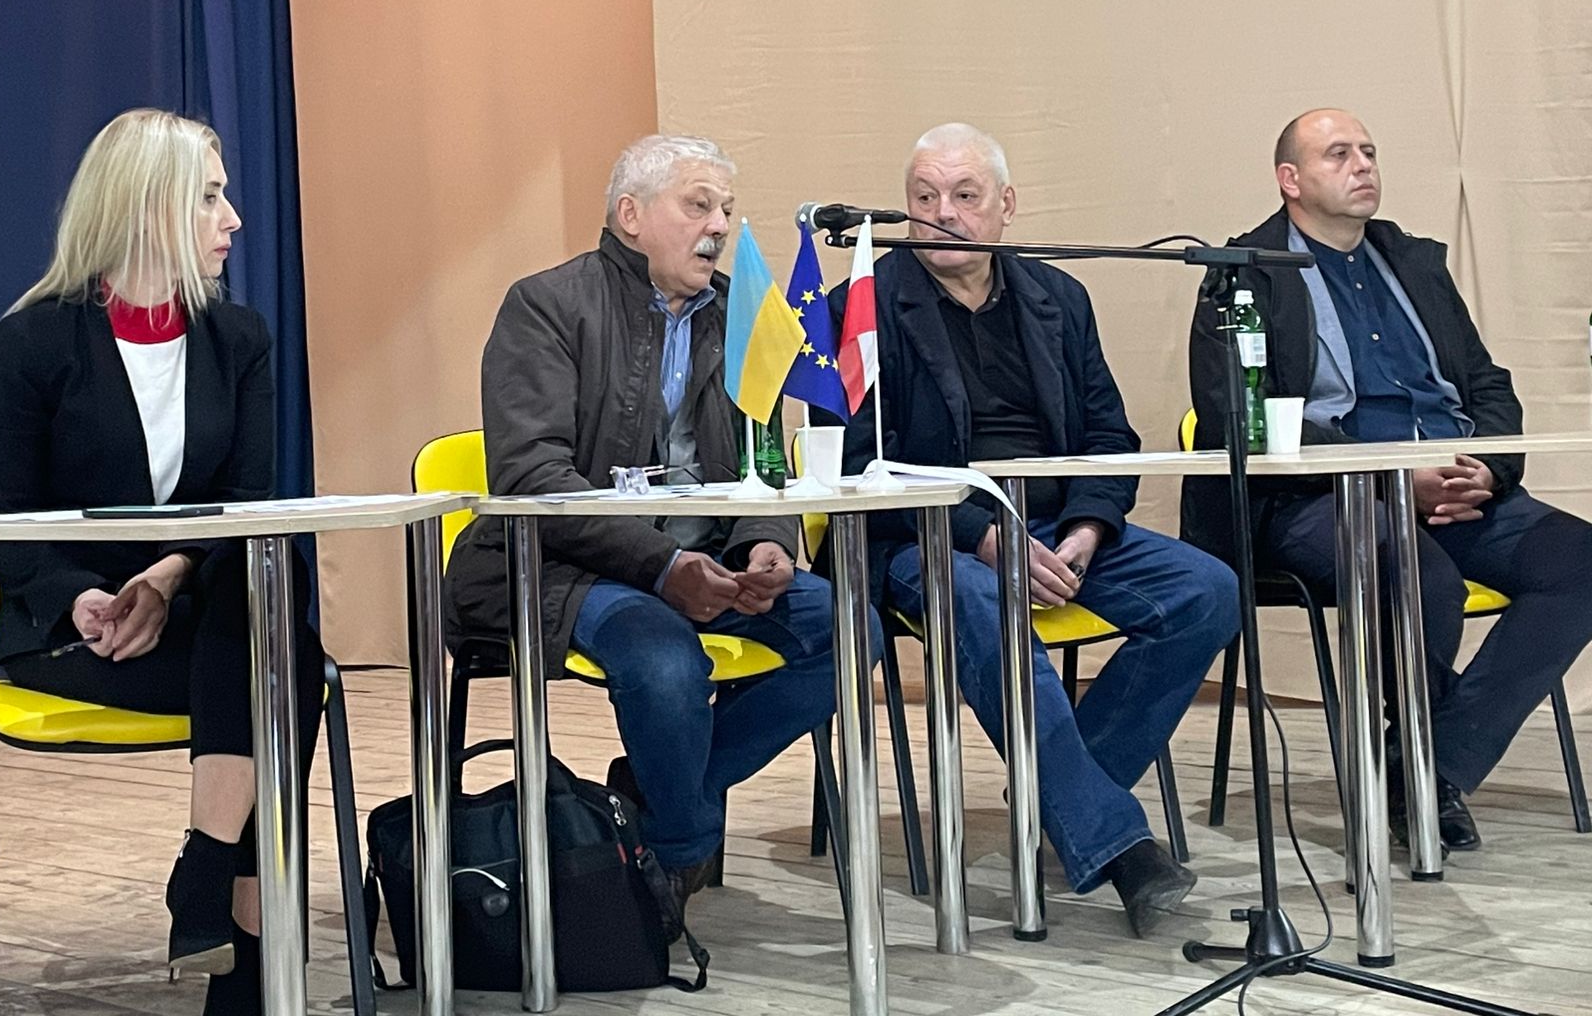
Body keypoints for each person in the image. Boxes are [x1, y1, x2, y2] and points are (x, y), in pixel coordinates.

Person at [821, 123, 1239, 936]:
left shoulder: (1058, 297)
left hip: (1055, 521)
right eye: (923, 197)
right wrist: (983, 535)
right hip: (924, 536)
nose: (942, 214)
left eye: (964, 195)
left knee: (1206, 590)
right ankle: (1118, 846)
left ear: (1006, 205)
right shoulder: (862, 306)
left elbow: (1109, 438)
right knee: (983, 602)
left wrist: (1087, 527)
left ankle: (1061, 787)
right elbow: (858, 464)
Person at [444, 134, 872, 925]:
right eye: (699, 205)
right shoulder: (546, 305)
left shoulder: (738, 316)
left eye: (727, 209)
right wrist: (662, 566)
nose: (720, 227)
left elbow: (761, 461)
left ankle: (654, 797)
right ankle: (676, 855)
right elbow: (532, 477)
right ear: (631, 215)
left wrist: (765, 544)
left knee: (849, 628)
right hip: (564, 566)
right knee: (665, 659)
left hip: (703, 560)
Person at [1185, 107, 1592, 850]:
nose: (1363, 165)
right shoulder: (1242, 275)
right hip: (1319, 498)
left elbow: (1486, 384)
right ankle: (1427, 772)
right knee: (1415, 570)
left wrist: (1488, 468)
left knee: (1579, 561)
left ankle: (1428, 765)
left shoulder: (1414, 264)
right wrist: (1394, 477)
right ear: (1290, 179)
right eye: (1339, 154)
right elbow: (1236, 419)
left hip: (1453, 489)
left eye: (1368, 151)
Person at [0, 108, 319, 1016]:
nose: (233, 219)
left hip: (199, 616)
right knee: (284, 671)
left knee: (266, 578)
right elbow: (2, 518)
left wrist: (168, 576)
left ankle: (207, 873)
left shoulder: (239, 337)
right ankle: (239, 935)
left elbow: (249, 503)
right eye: (210, 197)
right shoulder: (33, 341)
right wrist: (85, 597)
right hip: (77, 633)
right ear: (147, 208)